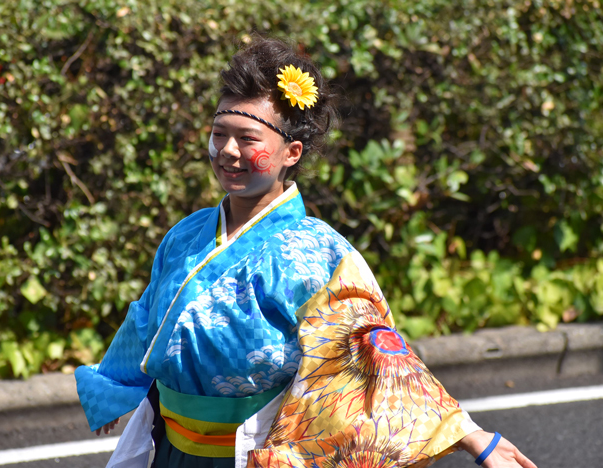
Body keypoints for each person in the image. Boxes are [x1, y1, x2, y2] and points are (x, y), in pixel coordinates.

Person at [75, 36, 537, 468]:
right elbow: (147, 316)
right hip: (171, 447)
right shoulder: (187, 234)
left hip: (252, 451)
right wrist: (115, 383)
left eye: (248, 139)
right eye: (219, 133)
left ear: (291, 152)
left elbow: (373, 352)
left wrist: (470, 435)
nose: (228, 151)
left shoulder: (316, 252)